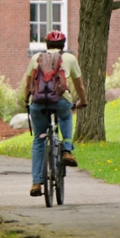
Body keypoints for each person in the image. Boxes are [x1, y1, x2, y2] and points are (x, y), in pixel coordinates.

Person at [24, 31, 87, 197]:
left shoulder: (36, 58)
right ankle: (66, 150)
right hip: (60, 100)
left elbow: (28, 84)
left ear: (46, 45)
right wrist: (82, 101)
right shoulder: (70, 59)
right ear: (63, 45)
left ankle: (36, 183)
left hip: (37, 103)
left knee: (39, 139)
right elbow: (79, 86)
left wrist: (26, 101)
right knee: (66, 116)